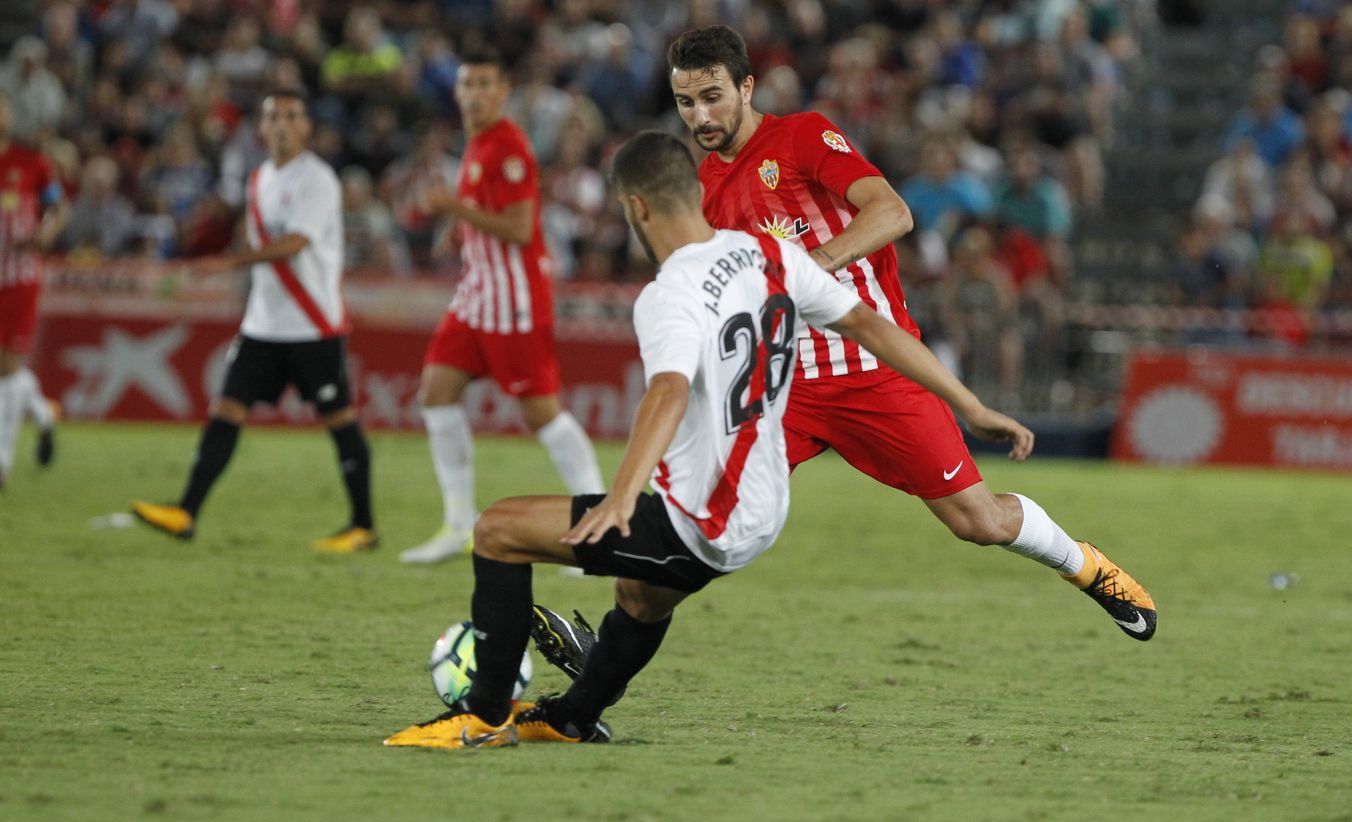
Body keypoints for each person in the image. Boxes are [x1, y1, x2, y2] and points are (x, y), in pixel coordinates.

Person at [384, 131, 1046, 747]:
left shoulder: (669, 293)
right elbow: (872, 325)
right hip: (764, 504)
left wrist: (621, 497)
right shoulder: (770, 256)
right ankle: (574, 718)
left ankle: (481, 713)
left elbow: (667, 393)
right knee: (640, 597)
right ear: (697, 193)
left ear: (636, 208)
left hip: (703, 519)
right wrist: (970, 405)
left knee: (498, 530)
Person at [663, 26, 1155, 639]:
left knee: (978, 521)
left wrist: (813, 267)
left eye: (712, 97)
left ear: (746, 86)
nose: (700, 115)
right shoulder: (706, 190)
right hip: (785, 385)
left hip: (876, 369)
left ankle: (1087, 567)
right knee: (706, 515)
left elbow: (893, 212)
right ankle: (606, 646)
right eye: (686, 102)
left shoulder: (802, 136)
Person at [130, 89, 378, 552]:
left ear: (306, 126)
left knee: (339, 419)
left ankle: (363, 525)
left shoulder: (318, 179)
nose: (282, 124)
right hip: (263, 323)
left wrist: (229, 262)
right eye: (273, 116)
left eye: (291, 115)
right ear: (261, 128)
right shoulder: (260, 177)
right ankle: (186, 511)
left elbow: (296, 243)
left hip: (312, 323)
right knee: (226, 409)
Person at [399, 52, 604, 564]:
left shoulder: (508, 146)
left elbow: (518, 227)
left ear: (503, 91)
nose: (473, 94)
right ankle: (457, 524)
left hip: (514, 301)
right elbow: (486, 214)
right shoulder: (478, 143)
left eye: (484, 84)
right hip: (476, 295)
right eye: (466, 84)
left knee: (542, 414)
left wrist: (454, 209)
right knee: (436, 394)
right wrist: (459, 230)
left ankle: (601, 527)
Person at [0, 91, 67, 488]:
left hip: (19, 278)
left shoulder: (30, 162)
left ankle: (2, 461)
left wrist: (48, 232)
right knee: (6, 369)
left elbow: (57, 208)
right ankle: (41, 413)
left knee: (6, 367)